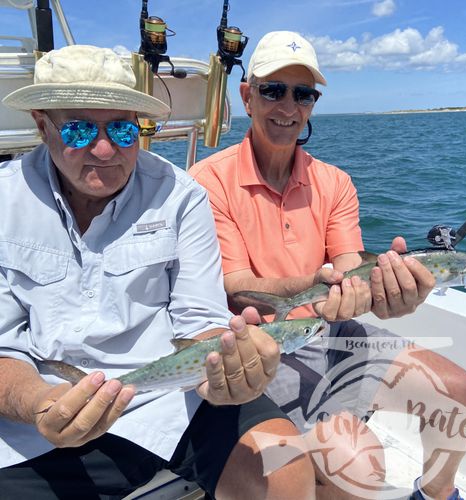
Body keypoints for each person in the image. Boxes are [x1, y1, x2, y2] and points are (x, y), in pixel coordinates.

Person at [0, 44, 319, 500]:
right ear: (41, 125)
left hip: (173, 398)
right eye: (77, 129)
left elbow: (199, 317)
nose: (105, 149)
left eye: (124, 130)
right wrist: (38, 403)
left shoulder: (180, 196)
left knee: (283, 466)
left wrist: (230, 366)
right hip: (38, 413)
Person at [190, 31, 466, 500]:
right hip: (260, 344)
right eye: (273, 90)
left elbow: (349, 265)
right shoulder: (206, 182)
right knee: (357, 463)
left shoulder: (335, 182)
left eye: (303, 94)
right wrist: (313, 284)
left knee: (460, 392)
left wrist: (385, 292)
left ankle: (434, 494)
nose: (288, 106)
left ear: (312, 104)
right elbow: (235, 286)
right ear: (247, 96)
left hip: (329, 331)